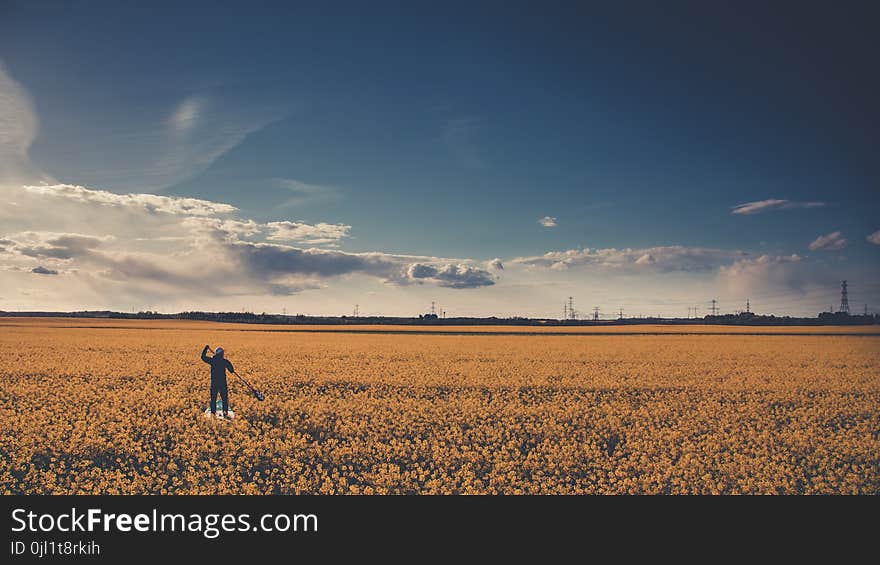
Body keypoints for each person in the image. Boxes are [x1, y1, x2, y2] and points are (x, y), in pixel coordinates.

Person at [201, 345, 235, 418]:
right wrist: (228, 366)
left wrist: (205, 349)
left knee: (213, 399)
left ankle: (213, 413)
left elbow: (203, 357)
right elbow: (231, 370)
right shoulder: (225, 361)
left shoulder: (212, 360)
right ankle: (225, 413)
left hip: (214, 383)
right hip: (222, 383)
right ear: (222, 354)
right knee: (224, 399)